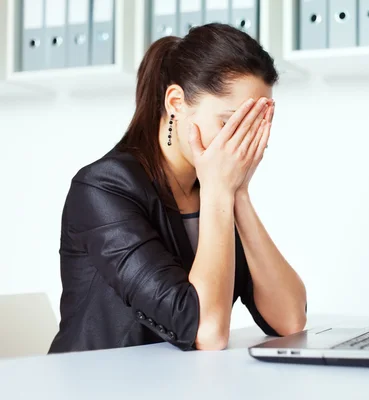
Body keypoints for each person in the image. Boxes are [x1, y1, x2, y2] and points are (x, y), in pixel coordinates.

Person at [48, 24, 307, 353]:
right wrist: (219, 191)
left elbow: (289, 320)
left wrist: (238, 193)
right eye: (229, 124)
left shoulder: (216, 189)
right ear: (176, 103)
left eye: (253, 128)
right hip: (98, 383)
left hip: (181, 381)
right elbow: (207, 332)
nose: (241, 145)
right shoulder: (103, 188)